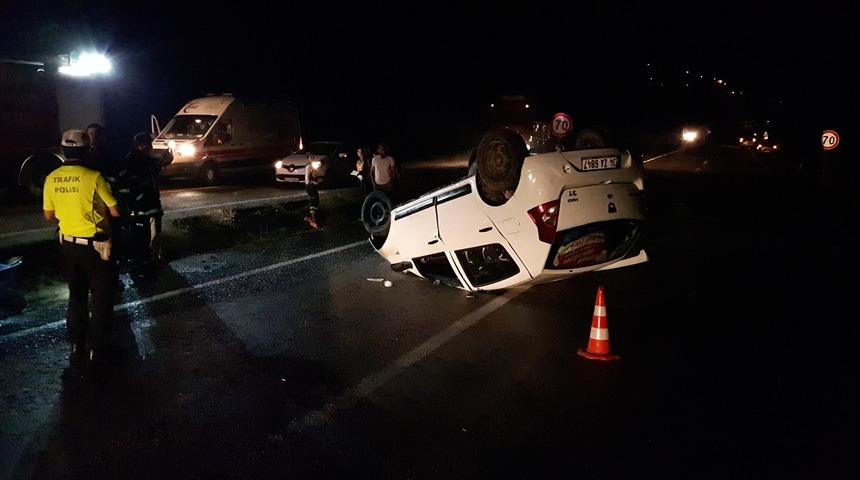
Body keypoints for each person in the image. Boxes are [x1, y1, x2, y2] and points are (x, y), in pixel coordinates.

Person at [43, 130, 121, 371]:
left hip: (67, 245)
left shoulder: (52, 178)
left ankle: (77, 344)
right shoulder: (94, 177)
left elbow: (49, 216)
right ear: (87, 151)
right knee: (100, 296)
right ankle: (98, 347)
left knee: (76, 294)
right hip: (95, 246)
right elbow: (116, 211)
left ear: (63, 151)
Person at [114, 133, 173, 267]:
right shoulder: (133, 161)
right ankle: (145, 260)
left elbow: (156, 167)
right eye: (148, 144)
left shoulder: (144, 159)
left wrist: (165, 159)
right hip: (141, 207)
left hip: (151, 206)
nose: (151, 147)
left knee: (154, 234)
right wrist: (132, 202)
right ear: (140, 145)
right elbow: (127, 185)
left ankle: (152, 258)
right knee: (142, 236)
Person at [303, 155, 322, 229]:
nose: (312, 159)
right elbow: (307, 180)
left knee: (316, 201)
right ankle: (313, 220)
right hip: (310, 187)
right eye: (310, 157)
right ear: (308, 159)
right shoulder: (308, 166)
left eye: (313, 157)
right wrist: (314, 182)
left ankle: (310, 218)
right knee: (313, 201)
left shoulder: (313, 166)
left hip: (313, 186)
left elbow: (316, 175)